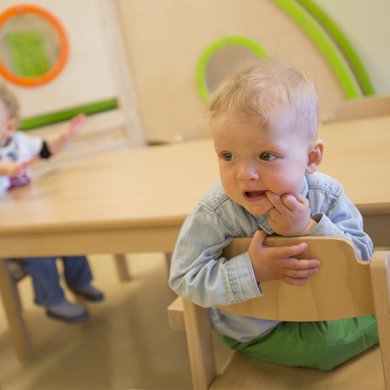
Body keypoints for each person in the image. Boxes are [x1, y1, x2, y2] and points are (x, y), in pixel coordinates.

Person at [169, 60, 378, 371]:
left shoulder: (327, 195)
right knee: (333, 344)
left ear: (310, 157)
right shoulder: (215, 212)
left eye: (266, 156)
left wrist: (308, 227)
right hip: (260, 330)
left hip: (328, 308)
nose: (244, 174)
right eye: (227, 156)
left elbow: (362, 256)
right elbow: (184, 277)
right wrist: (251, 270)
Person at [0, 84, 104, 324]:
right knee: (40, 254)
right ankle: (52, 300)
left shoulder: (20, 141)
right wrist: (7, 169)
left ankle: (80, 281)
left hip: (32, 216)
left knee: (69, 238)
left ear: (10, 126)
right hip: (9, 230)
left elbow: (46, 148)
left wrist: (65, 136)